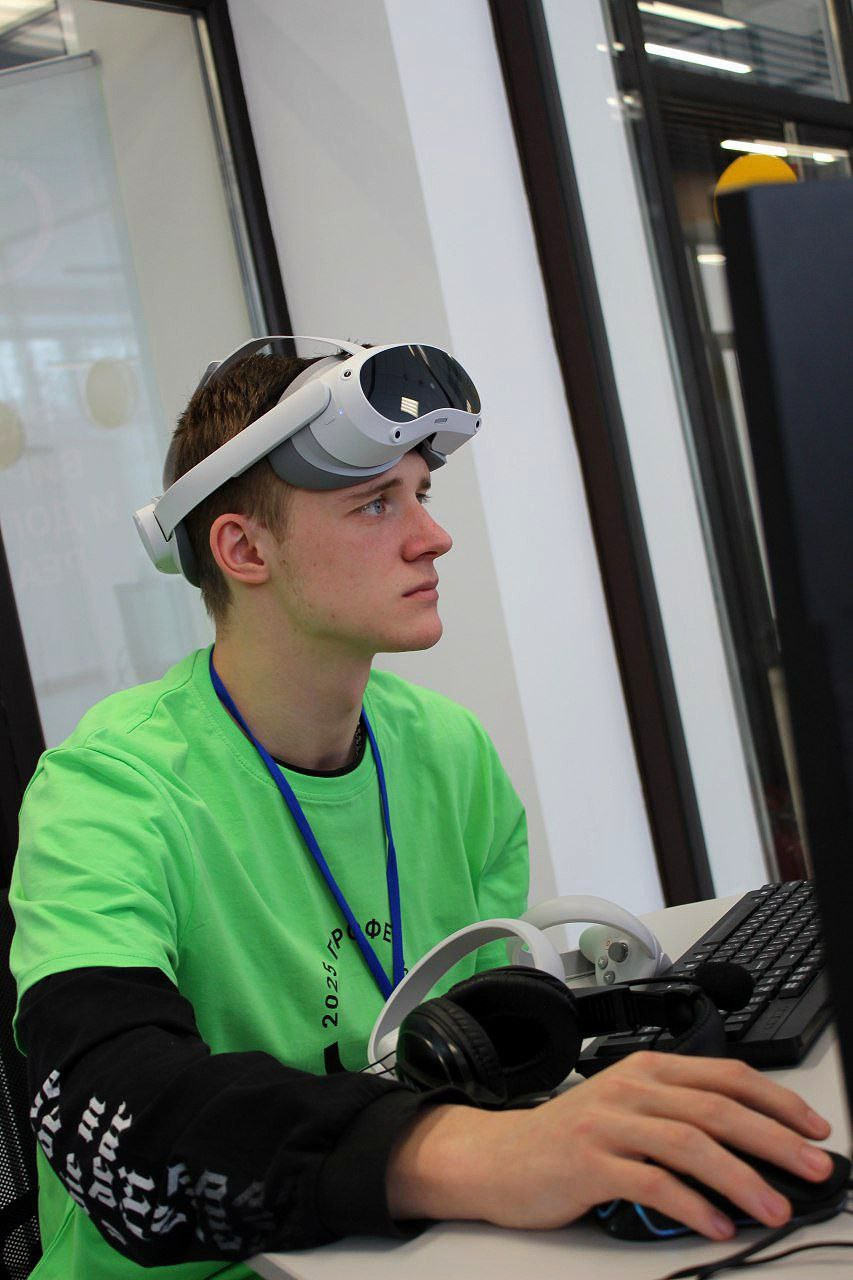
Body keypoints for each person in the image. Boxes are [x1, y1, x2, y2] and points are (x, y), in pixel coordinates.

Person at [10, 340, 834, 1280]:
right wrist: (459, 1153)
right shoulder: (110, 790)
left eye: (421, 495)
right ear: (243, 550)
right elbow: (107, 1111)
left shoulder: (446, 751)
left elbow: (486, 1045)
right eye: (375, 504)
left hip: (417, 1249)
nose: (432, 537)